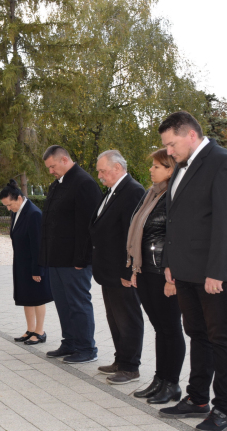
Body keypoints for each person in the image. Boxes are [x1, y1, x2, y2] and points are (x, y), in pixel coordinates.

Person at [158, 111, 227, 431]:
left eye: (171, 143)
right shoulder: (183, 166)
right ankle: (197, 399)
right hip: (184, 270)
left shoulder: (224, 162)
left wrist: (218, 272)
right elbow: (175, 221)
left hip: (212, 273)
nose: (168, 151)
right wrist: (170, 262)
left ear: (190, 135)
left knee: (222, 339)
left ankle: (224, 409)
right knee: (197, 334)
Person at [126, 149, 185, 404]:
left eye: (157, 166)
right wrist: (135, 268)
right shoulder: (152, 194)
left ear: (171, 169)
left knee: (171, 328)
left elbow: (177, 237)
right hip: (147, 270)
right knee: (160, 328)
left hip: (164, 273)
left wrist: (172, 279)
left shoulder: (174, 196)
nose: (151, 170)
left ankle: (172, 383)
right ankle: (160, 379)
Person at [40, 146, 103, 364]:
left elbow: (89, 226)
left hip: (75, 261)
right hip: (56, 259)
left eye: (52, 166)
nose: (51, 171)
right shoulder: (57, 185)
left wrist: (82, 259)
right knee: (63, 303)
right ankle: (70, 342)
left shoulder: (84, 183)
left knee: (78, 303)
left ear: (64, 159)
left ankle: (87, 347)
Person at [89, 150, 145, 384]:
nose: (100, 175)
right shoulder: (113, 191)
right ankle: (121, 359)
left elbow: (131, 236)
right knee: (114, 317)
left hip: (122, 271)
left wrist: (127, 270)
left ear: (117, 168)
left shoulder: (132, 191)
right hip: (108, 271)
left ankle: (131, 367)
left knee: (128, 317)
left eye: (103, 170)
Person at [0, 180, 53, 345]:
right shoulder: (17, 212)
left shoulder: (33, 214)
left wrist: (38, 269)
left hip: (33, 264)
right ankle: (30, 329)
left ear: (19, 198)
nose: (9, 209)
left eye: (9, 205)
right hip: (21, 263)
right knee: (25, 296)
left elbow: (38, 244)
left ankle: (40, 331)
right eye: (6, 206)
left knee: (37, 297)